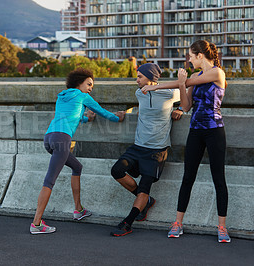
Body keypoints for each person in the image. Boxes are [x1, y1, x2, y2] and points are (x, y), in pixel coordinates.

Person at [141, 40, 230, 243]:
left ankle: (222, 226)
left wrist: (155, 87)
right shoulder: (193, 76)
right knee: (188, 177)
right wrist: (181, 83)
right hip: (196, 131)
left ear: (200, 55)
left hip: (215, 131)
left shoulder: (217, 73)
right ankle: (178, 222)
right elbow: (186, 105)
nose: (188, 60)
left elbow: (187, 83)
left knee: (219, 179)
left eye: (190, 55)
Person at [30, 68, 125, 234]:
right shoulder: (83, 97)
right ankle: (36, 223)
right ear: (78, 83)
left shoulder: (62, 96)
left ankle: (78, 210)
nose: (90, 88)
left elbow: (71, 115)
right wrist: (118, 117)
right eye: (88, 84)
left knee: (77, 167)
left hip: (49, 137)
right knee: (49, 181)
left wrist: (87, 118)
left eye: (92, 86)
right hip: (62, 139)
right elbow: (102, 112)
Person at [110, 63, 183, 237]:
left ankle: (128, 223)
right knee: (117, 170)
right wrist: (125, 111)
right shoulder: (138, 93)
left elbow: (187, 92)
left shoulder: (169, 93)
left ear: (151, 78)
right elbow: (142, 107)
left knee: (144, 187)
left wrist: (179, 108)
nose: (137, 80)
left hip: (156, 150)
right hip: (138, 146)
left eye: (140, 77)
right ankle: (146, 202)